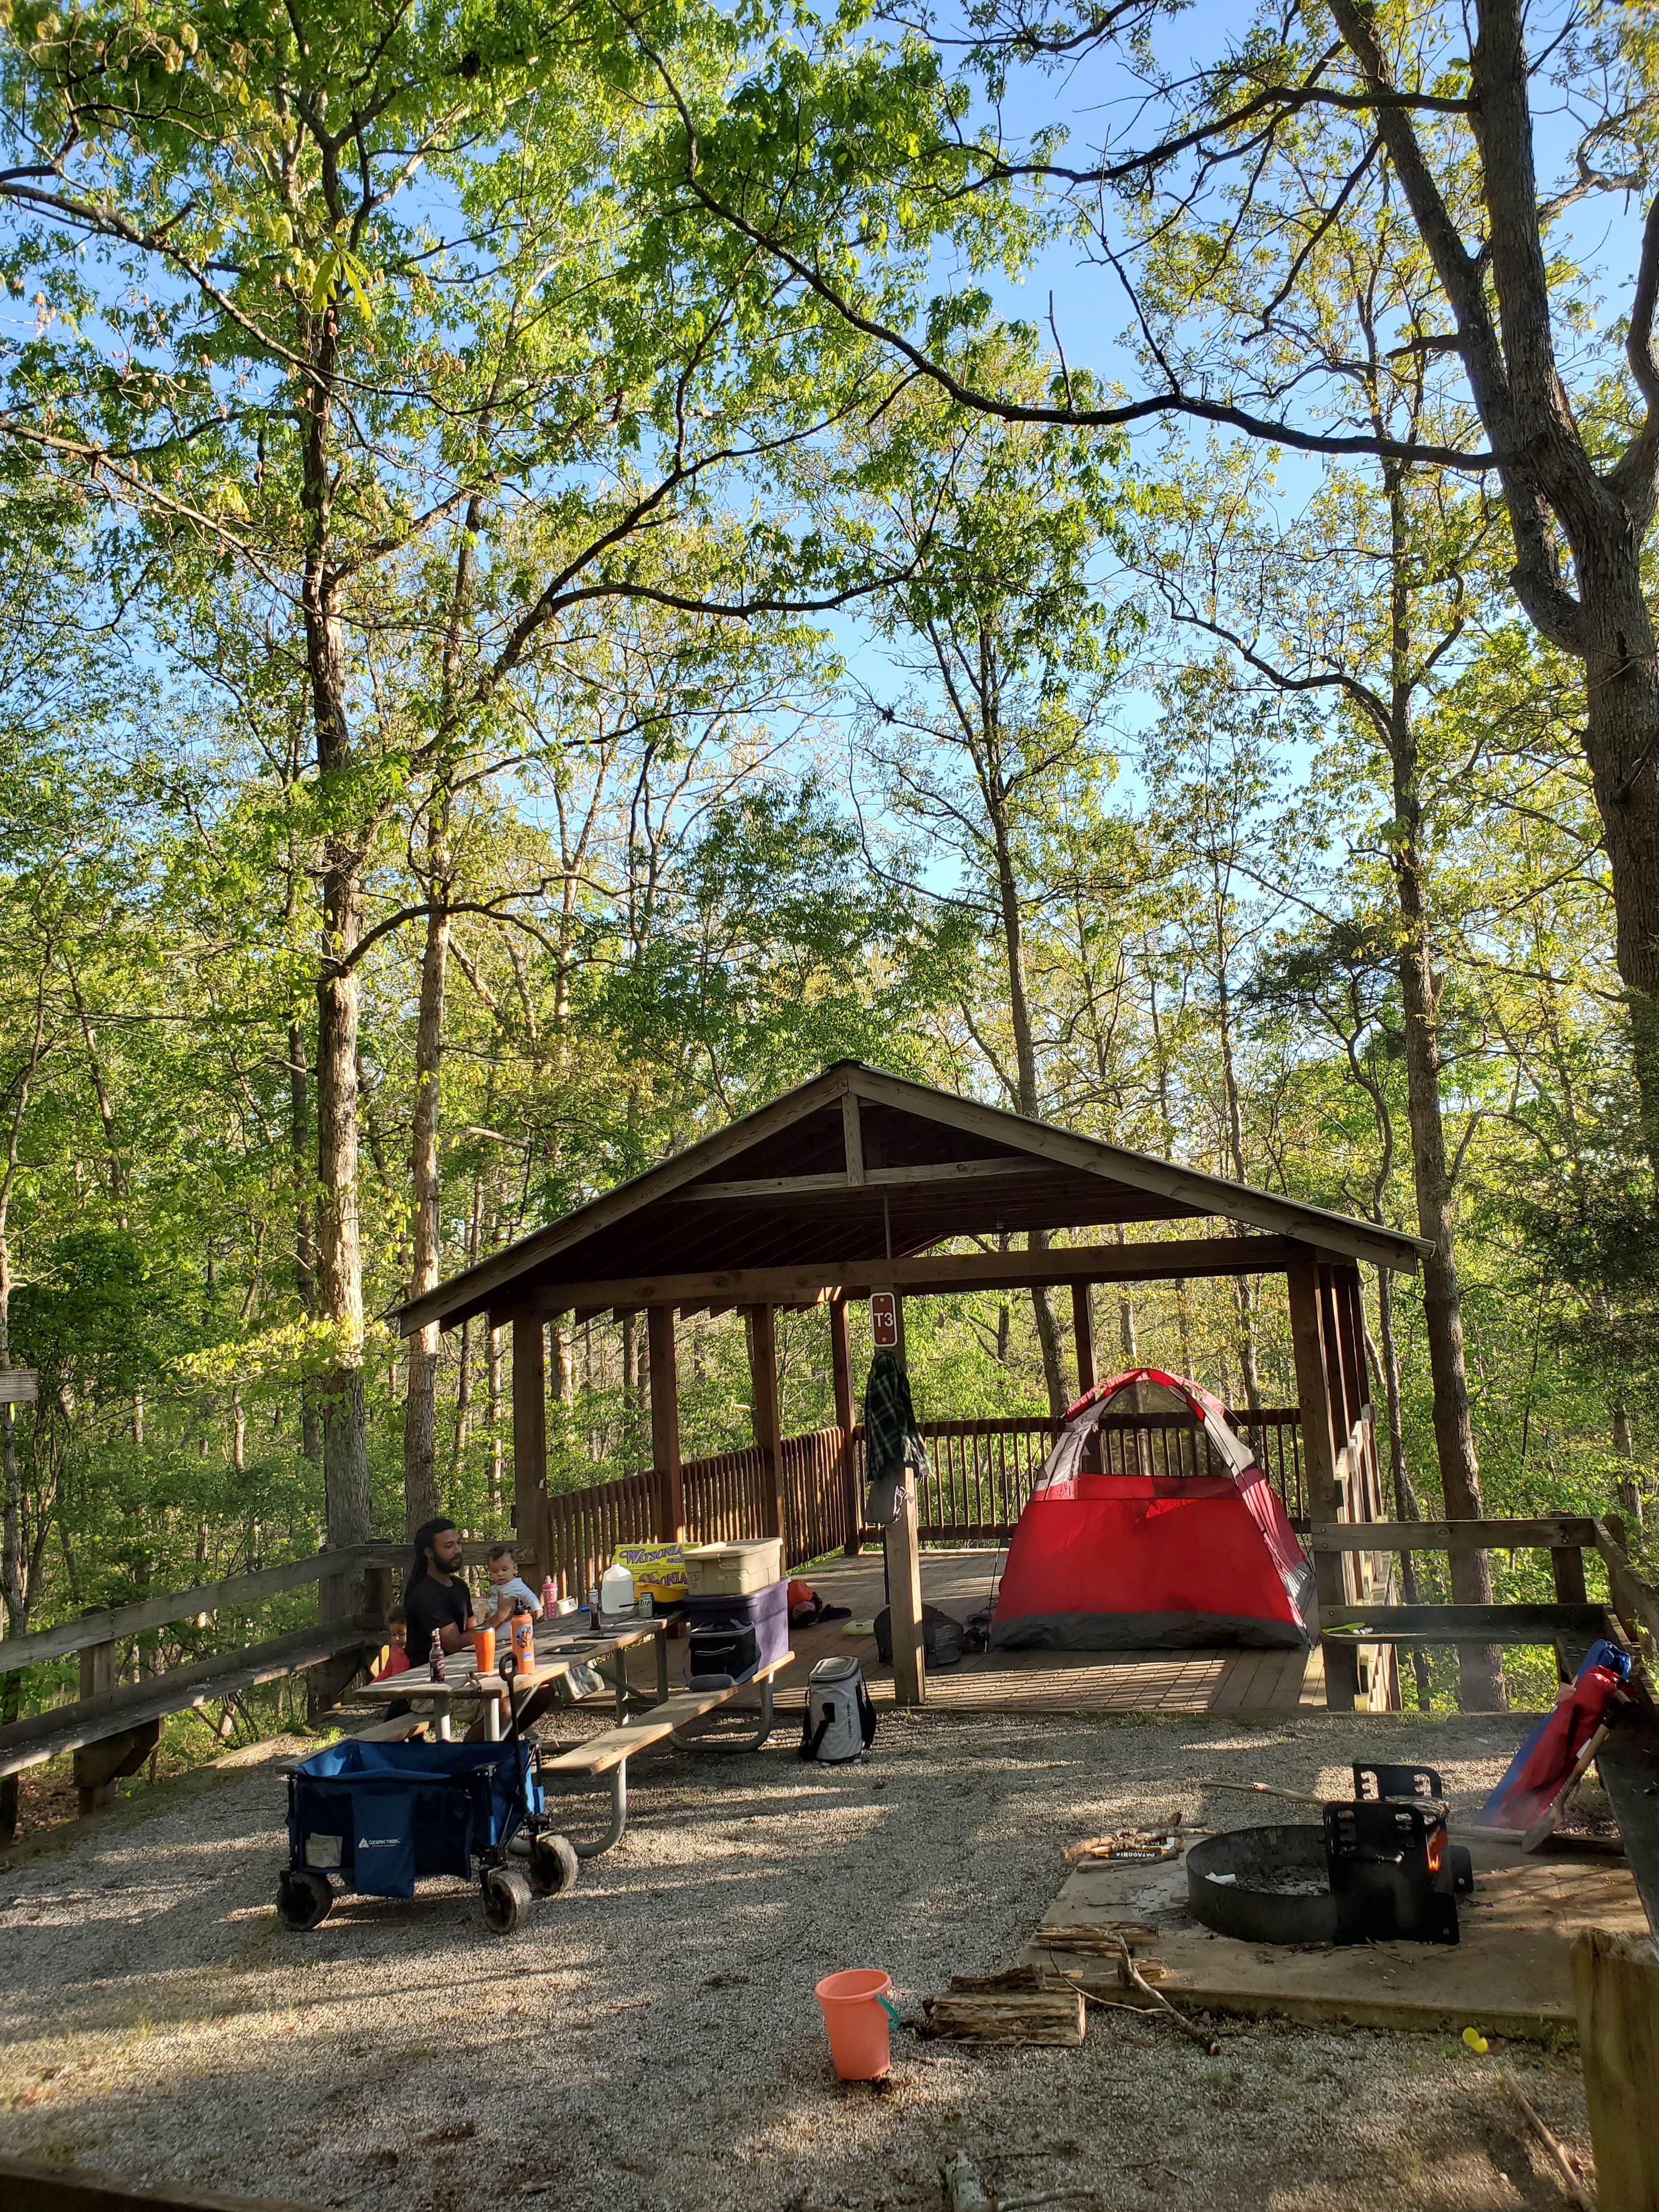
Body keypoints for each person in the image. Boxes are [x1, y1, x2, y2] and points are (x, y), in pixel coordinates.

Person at [403, 1516, 473, 1667]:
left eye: (459, 1543)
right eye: (449, 1546)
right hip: (427, 1677)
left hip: (461, 1666)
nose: (458, 1550)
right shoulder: (424, 1595)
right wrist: (500, 1617)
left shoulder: (460, 1586)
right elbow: (454, 1645)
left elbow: (472, 1632)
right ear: (429, 1553)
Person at [476, 1544, 544, 1633]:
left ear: (515, 1569)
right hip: (496, 1621)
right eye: (495, 1571)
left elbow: (529, 1596)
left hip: (510, 1623)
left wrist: (537, 1609)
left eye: (505, 1570)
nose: (500, 1574)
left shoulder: (516, 1585)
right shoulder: (495, 1587)